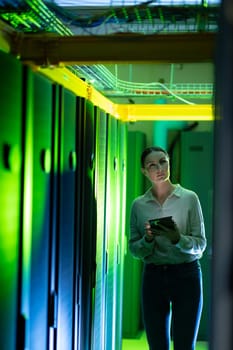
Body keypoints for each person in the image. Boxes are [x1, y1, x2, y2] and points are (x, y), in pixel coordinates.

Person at [129, 146, 207, 350]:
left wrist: (177, 238)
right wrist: (147, 239)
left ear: (169, 162)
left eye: (163, 161)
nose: (159, 168)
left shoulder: (190, 198)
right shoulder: (139, 205)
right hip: (153, 276)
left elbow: (200, 245)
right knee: (157, 346)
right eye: (152, 165)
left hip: (186, 275)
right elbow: (134, 249)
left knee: (184, 345)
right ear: (144, 171)